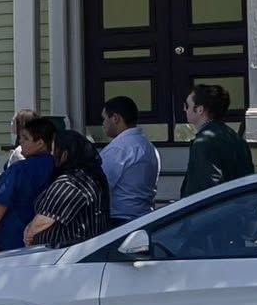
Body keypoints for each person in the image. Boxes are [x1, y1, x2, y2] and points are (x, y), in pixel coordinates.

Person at [0, 116, 56, 254]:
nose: (20, 141)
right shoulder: (59, 167)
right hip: (50, 238)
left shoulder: (19, 169)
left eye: (26, 138)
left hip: (14, 238)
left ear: (40, 143)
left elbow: (0, 202)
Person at [26, 130, 110, 249]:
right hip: (84, 250)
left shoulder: (71, 183)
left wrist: (29, 235)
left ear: (65, 154)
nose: (52, 155)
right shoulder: (89, 176)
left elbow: (44, 220)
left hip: (65, 252)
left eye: (54, 151)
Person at [180, 84, 253, 195]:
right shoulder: (235, 138)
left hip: (215, 205)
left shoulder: (203, 143)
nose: (184, 109)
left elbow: (210, 188)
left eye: (187, 105)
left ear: (200, 109)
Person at [98, 95, 159, 223]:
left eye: (104, 118)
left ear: (115, 118)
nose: (103, 124)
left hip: (120, 219)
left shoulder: (119, 148)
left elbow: (100, 184)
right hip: (145, 216)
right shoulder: (148, 146)